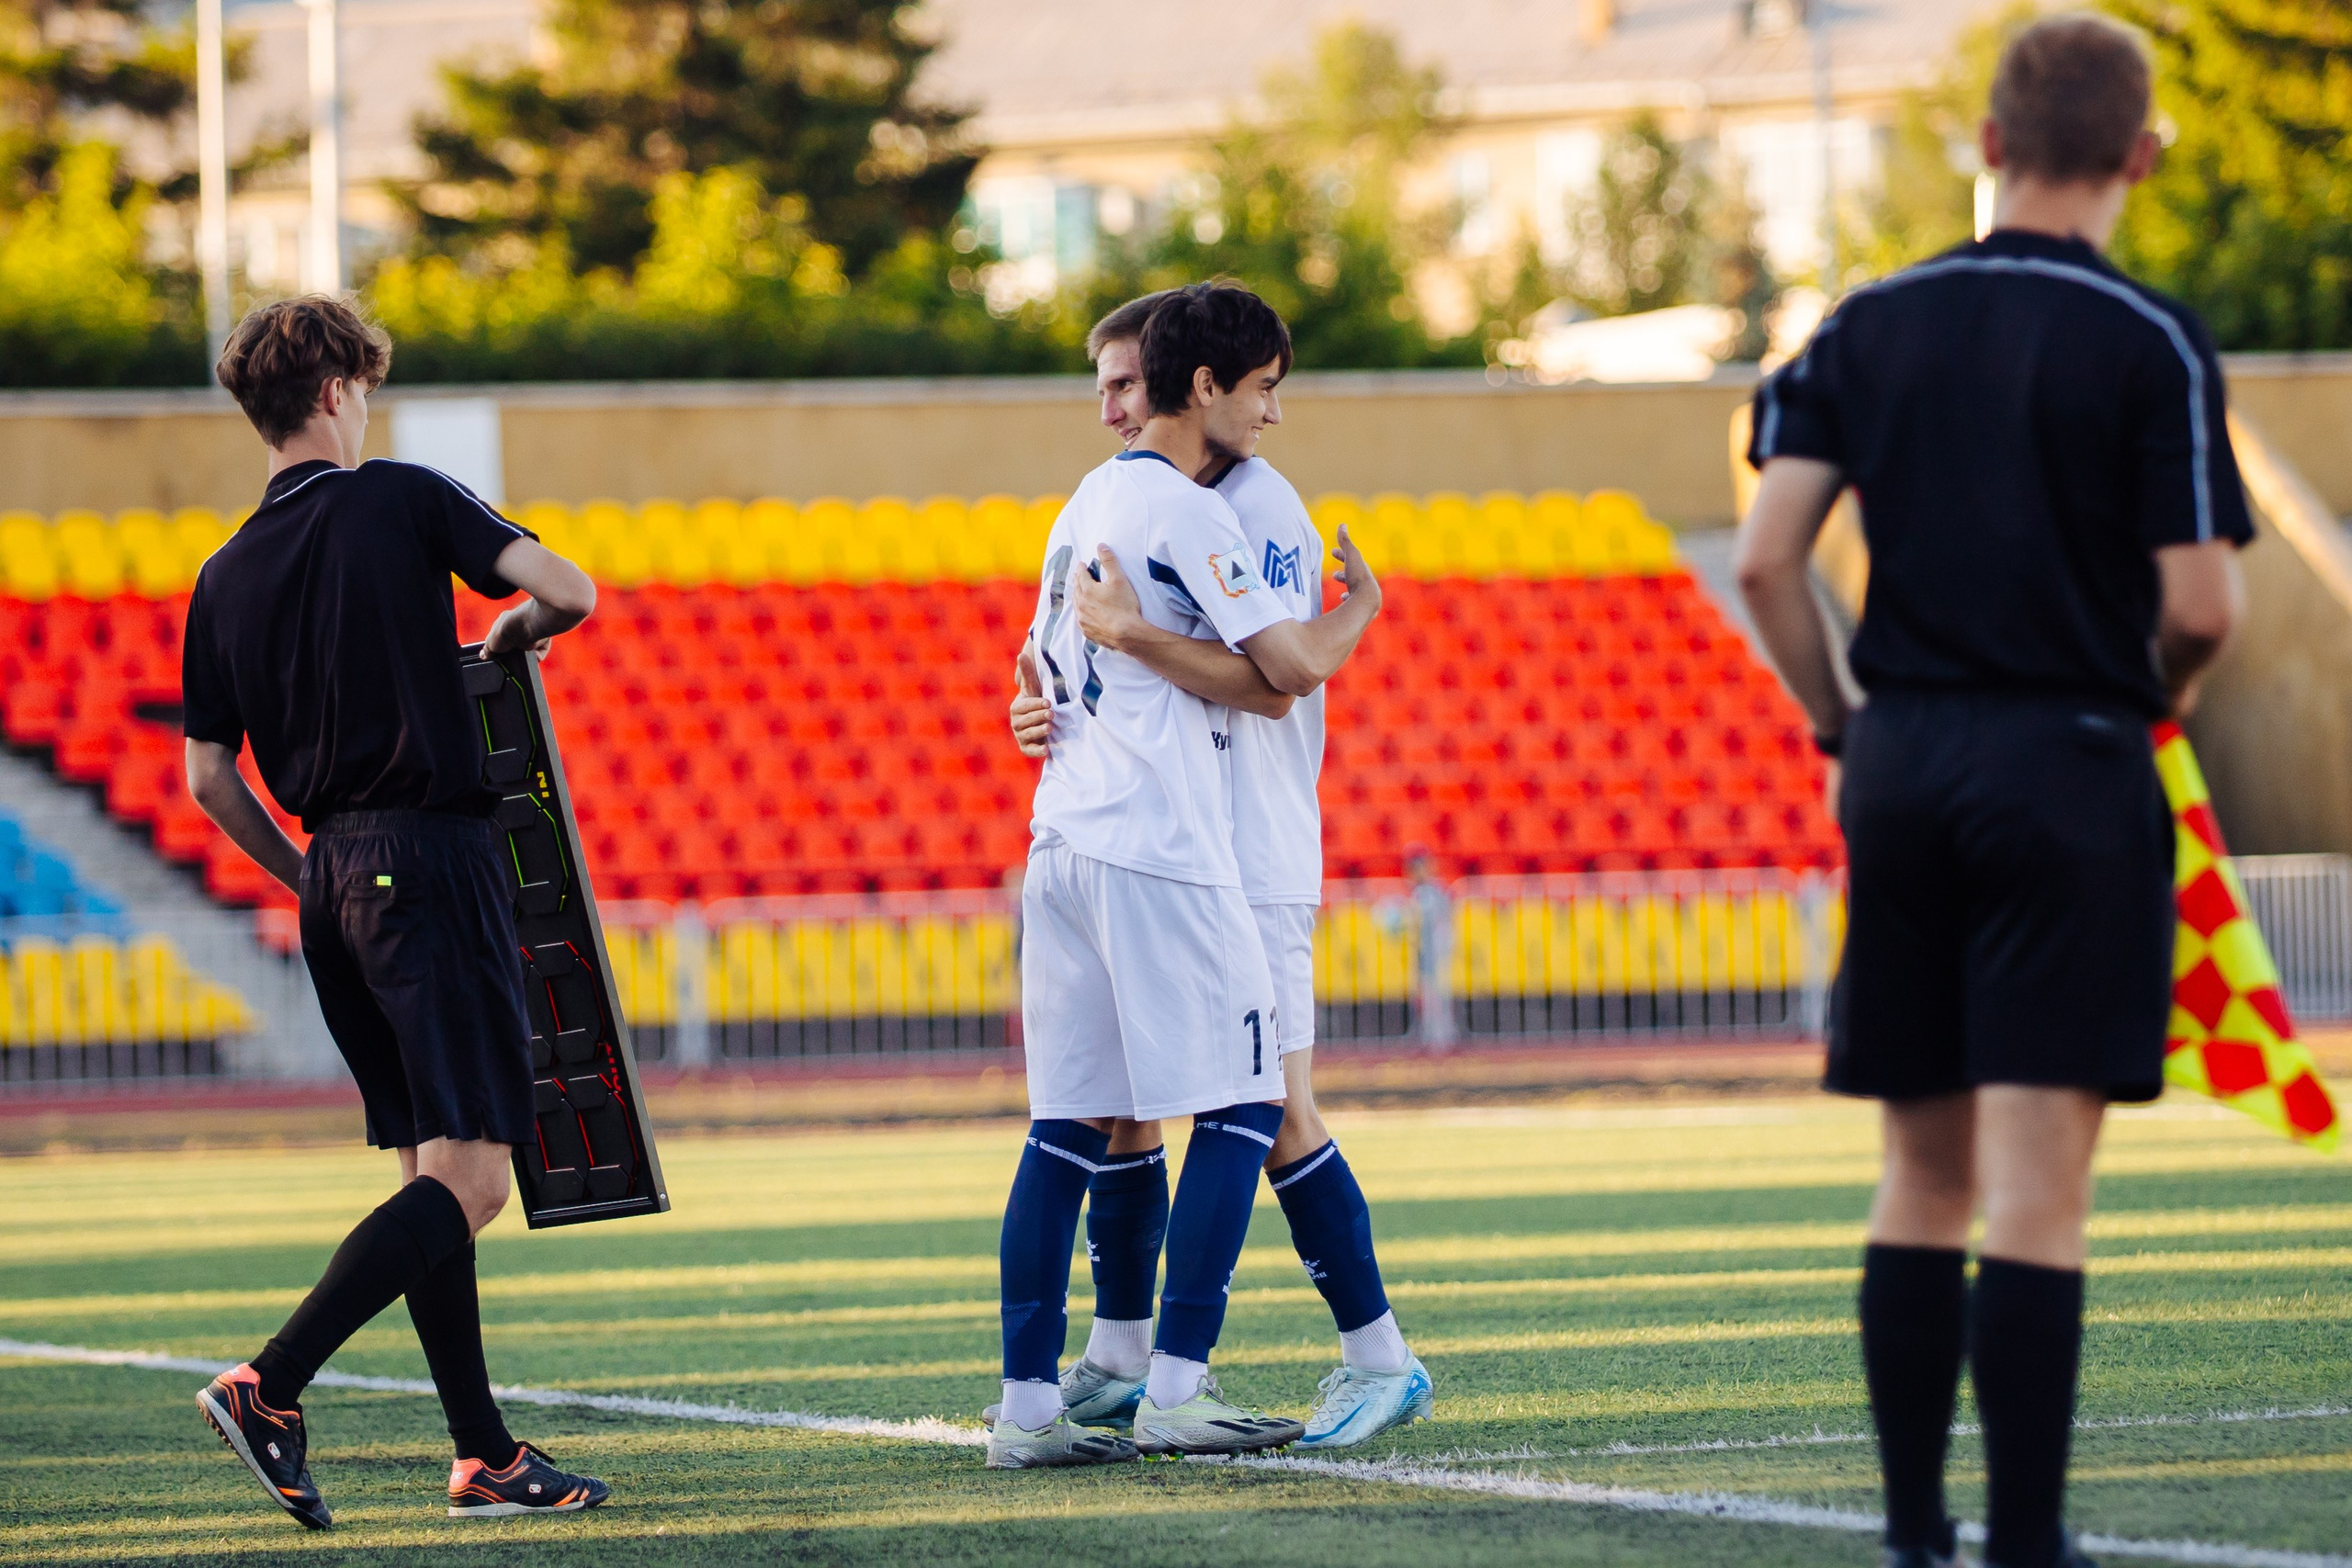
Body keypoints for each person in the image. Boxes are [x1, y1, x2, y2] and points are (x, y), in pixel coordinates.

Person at [1735, 17, 2248, 1568]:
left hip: (1901, 760)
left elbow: (1767, 559)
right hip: (2069, 761)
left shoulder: (1865, 323)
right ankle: (2025, 1541)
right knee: (2035, 1188)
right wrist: (2148, 697)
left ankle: (1914, 1534)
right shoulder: (2149, 338)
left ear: (1988, 142)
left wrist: (1845, 722)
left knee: (1920, 1169)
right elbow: (2205, 605)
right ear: (2140, 155)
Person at [182, 296, 609, 1527]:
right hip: (426, 859)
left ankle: (484, 1455)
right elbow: (569, 589)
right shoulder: (401, 497)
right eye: (364, 388)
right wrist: (514, 629)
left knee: (432, 1168)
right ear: (334, 392)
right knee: (474, 1180)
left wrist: (305, 874)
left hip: (334, 878)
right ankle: (270, 1383)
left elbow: (209, 777)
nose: (366, 408)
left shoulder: (222, 571)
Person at [1005, 291, 1430, 1450]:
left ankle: (1373, 1355)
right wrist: (1037, 705)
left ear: (1176, 383)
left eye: (1123, 385)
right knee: (1127, 1117)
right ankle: (1126, 1361)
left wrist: (1138, 640)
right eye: (1104, 388)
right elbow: (1051, 657)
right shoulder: (1136, 496)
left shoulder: (1251, 501)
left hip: (1241, 849)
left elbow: (1279, 678)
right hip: (1162, 842)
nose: (1110, 409)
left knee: (1266, 1108)